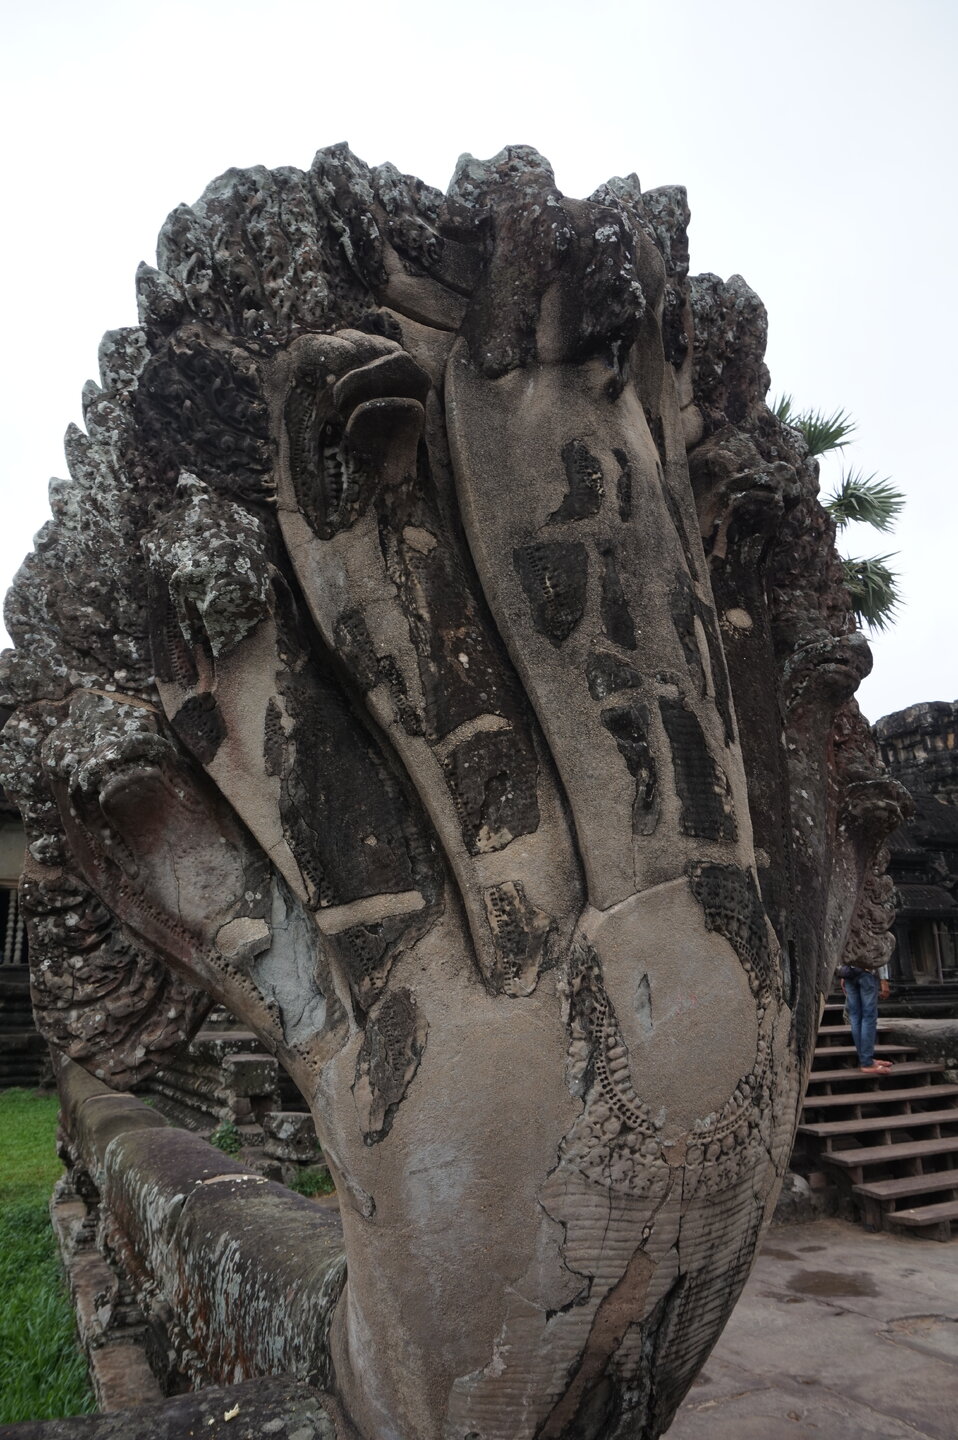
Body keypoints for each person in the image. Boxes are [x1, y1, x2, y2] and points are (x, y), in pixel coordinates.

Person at [840, 965, 892, 1073]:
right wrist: (884, 979)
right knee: (868, 1017)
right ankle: (867, 1062)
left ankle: (865, 1059)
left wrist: (843, 974)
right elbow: (880, 955)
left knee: (855, 1018)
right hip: (867, 972)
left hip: (849, 972)